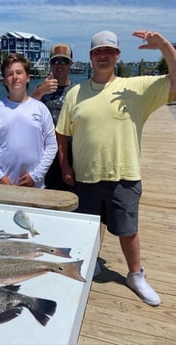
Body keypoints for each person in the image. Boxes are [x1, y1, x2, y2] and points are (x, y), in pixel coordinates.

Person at [56, 30, 176, 306]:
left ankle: (135, 275)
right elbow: (62, 133)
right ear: (90, 57)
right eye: (98, 51)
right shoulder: (75, 92)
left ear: (117, 55)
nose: (103, 56)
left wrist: (165, 47)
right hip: (85, 175)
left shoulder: (138, 87)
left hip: (124, 174)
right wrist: (65, 164)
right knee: (89, 227)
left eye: (109, 51)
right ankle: (92, 261)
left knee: (128, 230)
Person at [0, 53, 57, 188]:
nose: (15, 77)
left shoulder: (41, 109)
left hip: (34, 186)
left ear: (28, 78)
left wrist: (35, 175)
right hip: (0, 186)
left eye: (19, 72)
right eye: (9, 74)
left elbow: (51, 145)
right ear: (4, 80)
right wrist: (0, 177)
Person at [31, 43, 74, 191]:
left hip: (70, 154)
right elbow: (24, 112)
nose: (60, 65)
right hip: (44, 155)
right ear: (50, 64)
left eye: (64, 60)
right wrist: (39, 92)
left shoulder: (76, 91)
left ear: (70, 64)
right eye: (55, 61)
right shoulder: (41, 89)